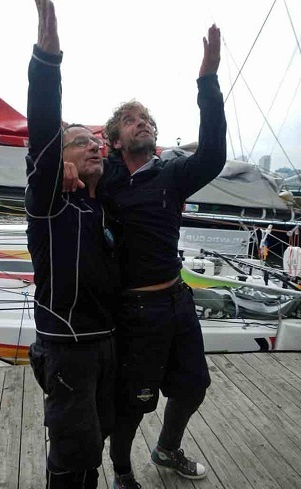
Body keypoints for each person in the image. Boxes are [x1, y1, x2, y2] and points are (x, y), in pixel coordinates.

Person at [98, 25, 227, 489]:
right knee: (134, 399)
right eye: (132, 119)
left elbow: (212, 153)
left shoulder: (171, 175)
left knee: (194, 384)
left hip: (176, 300)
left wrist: (207, 81)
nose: (143, 122)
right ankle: (122, 470)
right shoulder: (105, 180)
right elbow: (58, 160)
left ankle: (168, 448)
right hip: (133, 311)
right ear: (115, 139)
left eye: (147, 118)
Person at [26, 1, 120, 488]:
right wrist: (48, 59)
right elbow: (42, 133)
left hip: (104, 345)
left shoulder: (98, 204)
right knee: (70, 454)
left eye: (98, 142)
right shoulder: (51, 203)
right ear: (62, 157)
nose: (95, 145)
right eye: (83, 141)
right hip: (67, 349)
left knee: (94, 444)